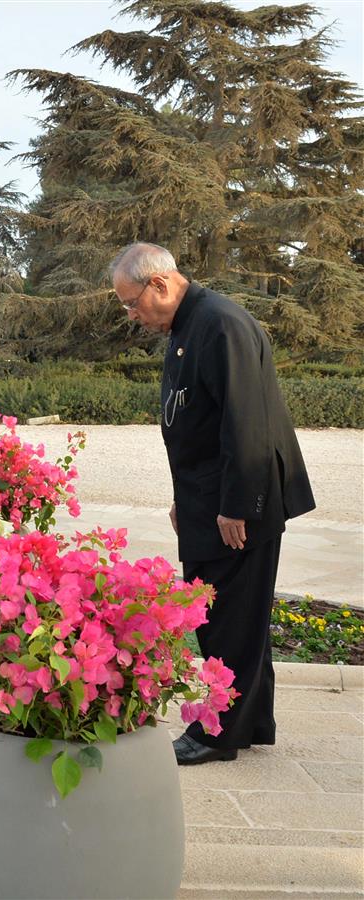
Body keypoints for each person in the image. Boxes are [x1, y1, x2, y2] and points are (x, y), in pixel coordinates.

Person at [110, 242, 315, 766]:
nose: (131, 315)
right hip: (209, 499)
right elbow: (195, 423)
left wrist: (235, 505)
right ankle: (252, 723)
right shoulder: (186, 325)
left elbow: (245, 422)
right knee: (230, 617)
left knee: (228, 619)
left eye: (132, 303)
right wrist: (186, 501)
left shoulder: (221, 324)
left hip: (240, 504)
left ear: (160, 284)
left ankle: (218, 735)